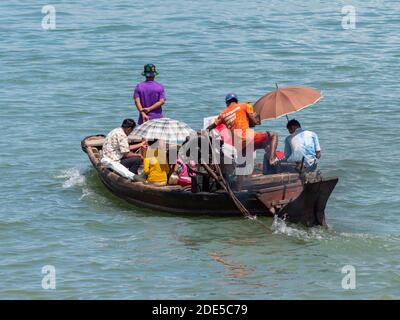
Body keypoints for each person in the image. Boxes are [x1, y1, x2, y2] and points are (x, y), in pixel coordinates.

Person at [207, 93, 278, 165]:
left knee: (245, 161)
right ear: (236, 101)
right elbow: (254, 122)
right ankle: (272, 159)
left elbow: (211, 126)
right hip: (248, 138)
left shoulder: (223, 114)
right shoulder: (244, 106)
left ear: (227, 102)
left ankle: (241, 172)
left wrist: (204, 132)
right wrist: (256, 118)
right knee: (273, 135)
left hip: (238, 145)